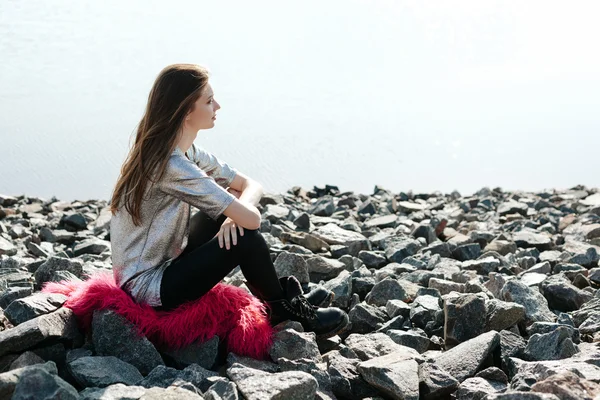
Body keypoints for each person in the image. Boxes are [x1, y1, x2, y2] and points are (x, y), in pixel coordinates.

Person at [108, 63, 349, 338]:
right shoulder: (170, 165)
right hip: (148, 289)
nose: (218, 106)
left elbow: (251, 185)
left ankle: (282, 299)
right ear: (187, 111)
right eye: (209, 101)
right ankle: (284, 308)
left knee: (227, 216)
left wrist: (232, 215)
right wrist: (237, 215)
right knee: (244, 236)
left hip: (165, 263)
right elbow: (252, 219)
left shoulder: (185, 151)